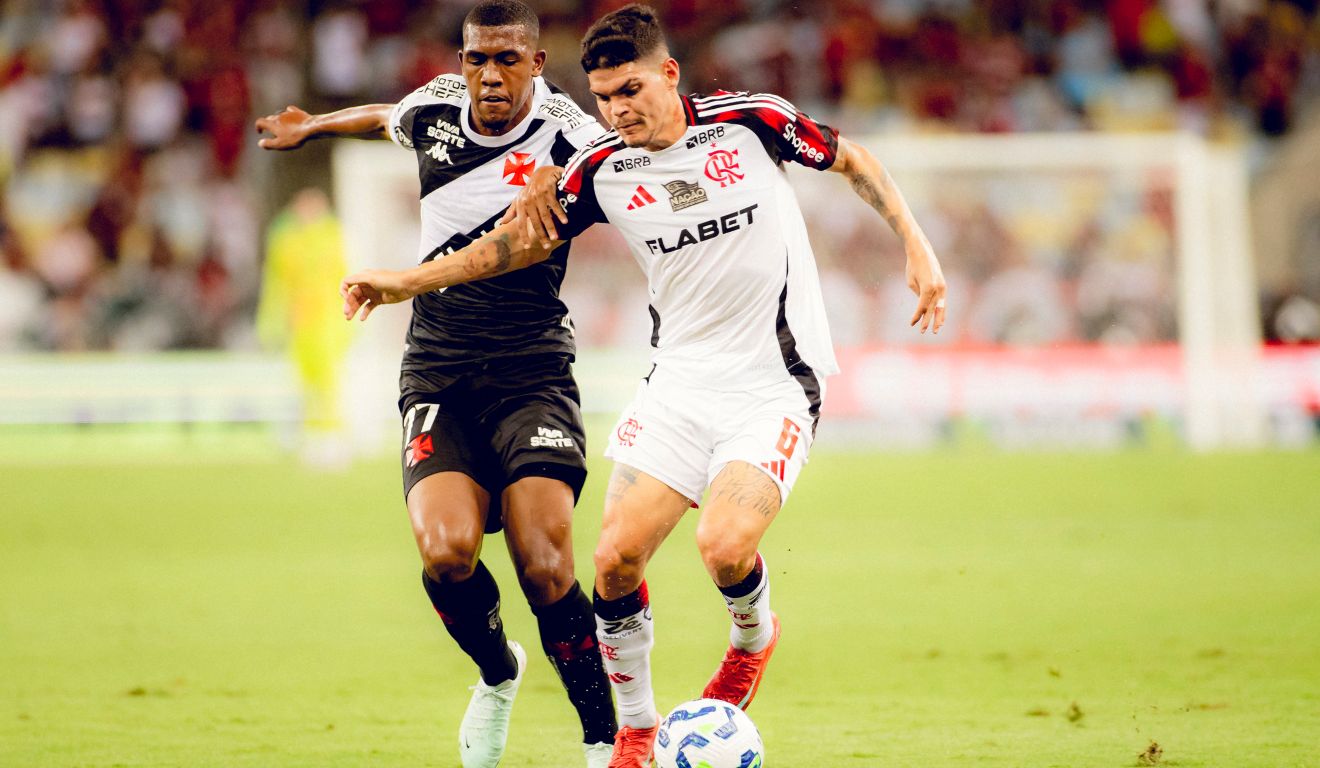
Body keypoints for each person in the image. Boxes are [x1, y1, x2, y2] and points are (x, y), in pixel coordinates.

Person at [338, 5, 947, 766]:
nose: (618, 110)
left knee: (723, 548)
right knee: (614, 561)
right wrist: (405, 281)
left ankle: (752, 637)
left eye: (631, 90)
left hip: (772, 383)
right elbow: (509, 247)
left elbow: (854, 161)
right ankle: (634, 731)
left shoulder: (752, 124)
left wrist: (917, 247)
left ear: (669, 74)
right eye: (603, 98)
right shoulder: (600, 169)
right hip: (678, 386)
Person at [255, 2, 618, 767]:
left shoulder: (573, 136)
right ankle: (498, 674)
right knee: (446, 552)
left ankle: (604, 744)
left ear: (536, 63)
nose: (489, 75)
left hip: (531, 370)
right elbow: (389, 114)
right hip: (440, 369)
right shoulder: (436, 108)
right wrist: (313, 125)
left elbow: (622, 164)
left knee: (547, 565)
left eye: (507, 59)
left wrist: (579, 177)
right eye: (476, 58)